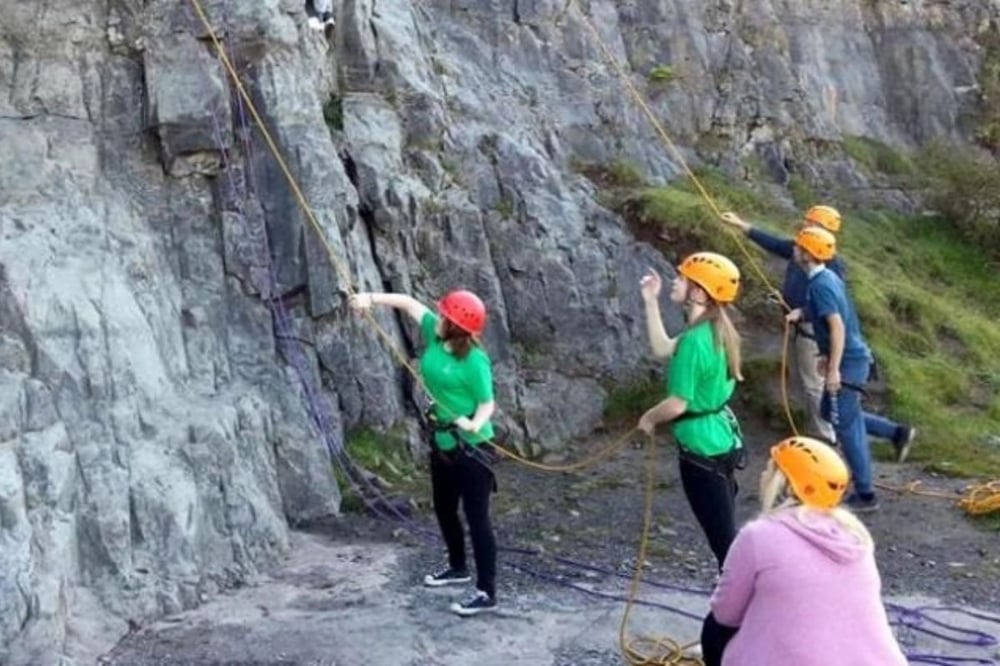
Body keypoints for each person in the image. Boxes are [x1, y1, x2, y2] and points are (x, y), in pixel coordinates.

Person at [720, 206, 916, 462]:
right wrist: (741, 225)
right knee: (816, 389)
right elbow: (775, 244)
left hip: (811, 332)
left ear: (825, 230)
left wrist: (802, 311)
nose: (805, 225)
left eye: (811, 223)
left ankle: (825, 438)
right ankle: (894, 432)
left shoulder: (830, 264)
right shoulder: (802, 249)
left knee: (814, 387)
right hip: (802, 328)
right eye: (807, 221)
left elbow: (831, 307)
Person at [349, 289, 498, 616]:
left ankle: (487, 592)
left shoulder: (474, 361)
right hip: (443, 444)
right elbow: (407, 302)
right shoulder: (436, 331)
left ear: (456, 326)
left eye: (445, 315)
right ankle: (458, 567)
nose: (438, 316)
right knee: (444, 509)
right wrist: (368, 299)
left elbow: (488, 402)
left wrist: (475, 423)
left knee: (477, 519)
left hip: (473, 450)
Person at [700, 436, 907, 666]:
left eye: (769, 469)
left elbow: (725, 614)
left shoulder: (758, 536)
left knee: (714, 629)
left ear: (784, 484)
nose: (762, 476)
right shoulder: (855, 536)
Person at [637, 252, 745, 569]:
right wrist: (650, 301)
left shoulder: (696, 341)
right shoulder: (715, 329)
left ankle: (743, 601)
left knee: (723, 539)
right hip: (722, 439)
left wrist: (648, 418)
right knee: (725, 532)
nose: (675, 280)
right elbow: (661, 348)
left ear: (698, 293)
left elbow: (677, 404)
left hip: (702, 450)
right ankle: (743, 590)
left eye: (682, 278)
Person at [786, 226, 879, 511]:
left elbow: (837, 327)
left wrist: (835, 368)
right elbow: (829, 314)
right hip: (849, 358)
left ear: (808, 253)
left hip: (849, 363)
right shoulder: (825, 279)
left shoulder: (821, 285)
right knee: (836, 414)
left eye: (799, 247)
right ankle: (875, 447)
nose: (794, 250)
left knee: (845, 426)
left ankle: (865, 494)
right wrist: (801, 312)